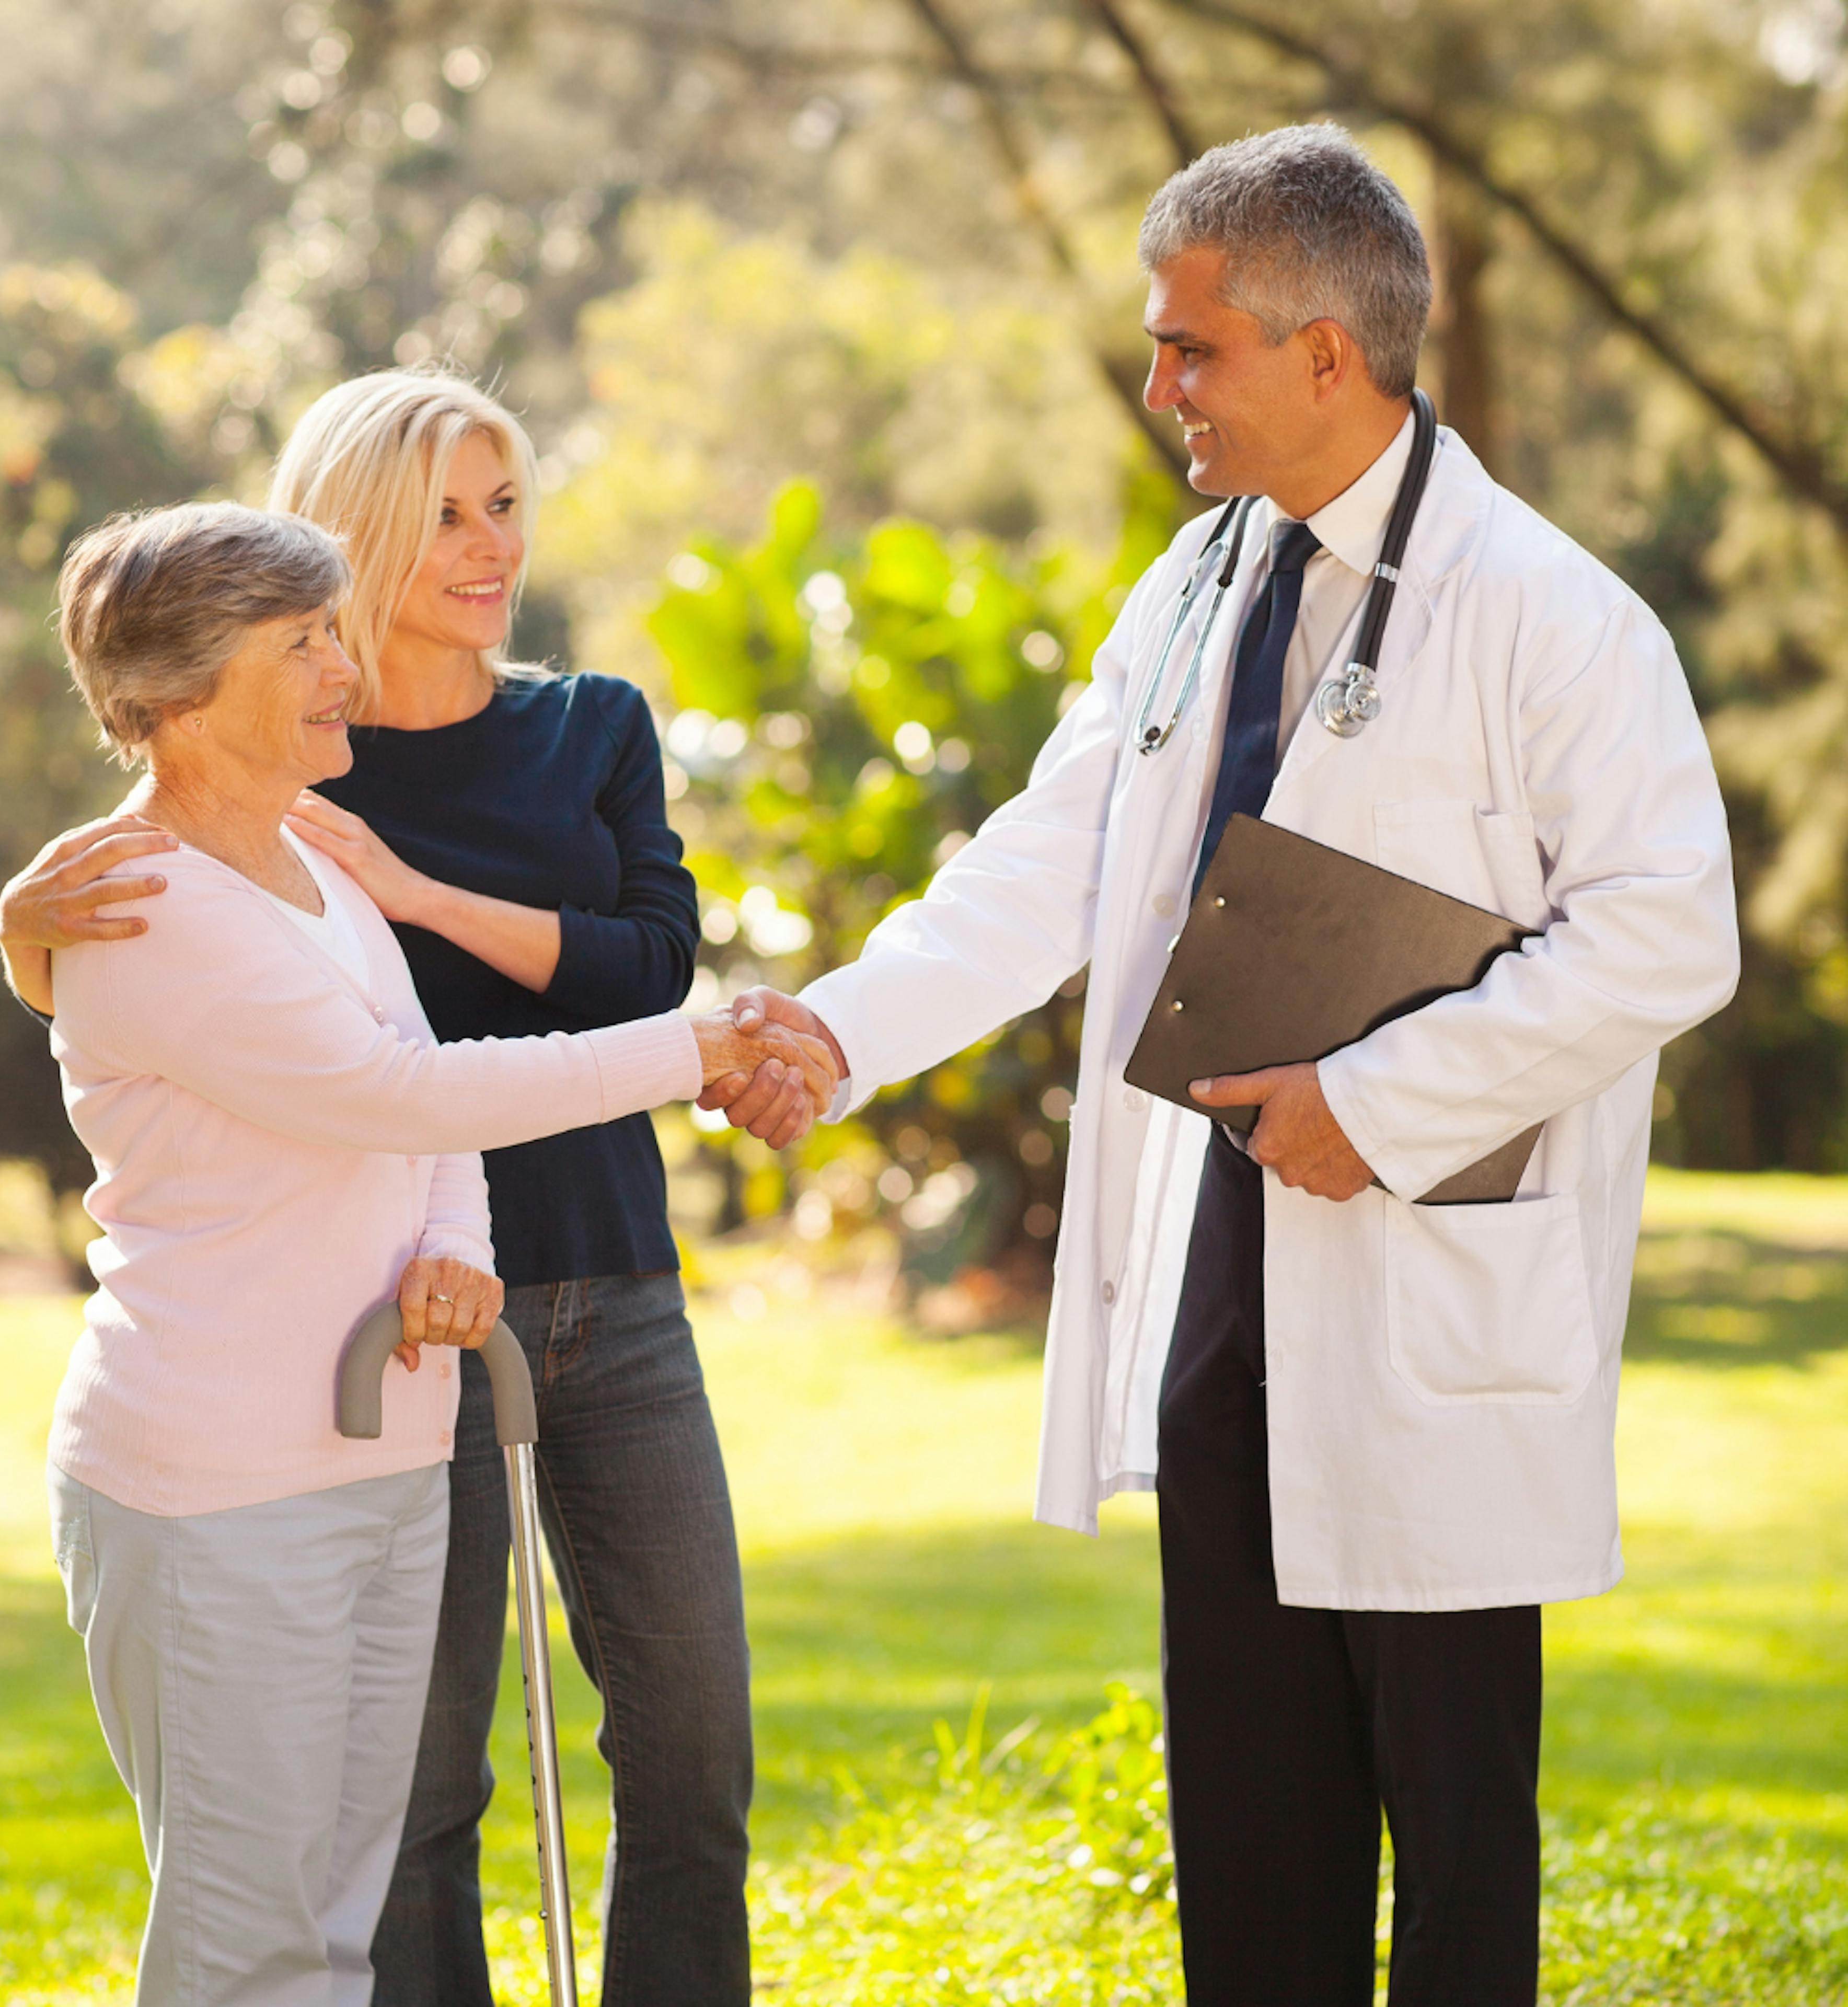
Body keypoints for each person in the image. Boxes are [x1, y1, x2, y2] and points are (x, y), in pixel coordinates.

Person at [707, 125, 1740, 2004]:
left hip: (1435, 1294)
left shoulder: (1558, 616)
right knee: (1249, 1841)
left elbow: (1671, 932)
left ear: (1327, 355)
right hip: (1225, 1298)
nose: (1163, 384)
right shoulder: (1197, 580)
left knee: (1450, 1860)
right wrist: (841, 1029)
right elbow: (1058, 860)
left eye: (1196, 349)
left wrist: (1385, 1103)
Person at [0, 372, 805, 2006]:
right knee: (360, 1848)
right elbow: (352, 1063)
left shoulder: (478, 776)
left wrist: (429, 927)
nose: (487, 544)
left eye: (506, 502)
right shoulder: (241, 810)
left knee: (644, 1769)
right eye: (443, 510)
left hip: (530, 1317)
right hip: (329, 1381)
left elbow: (551, 1018)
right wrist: (24, 940)